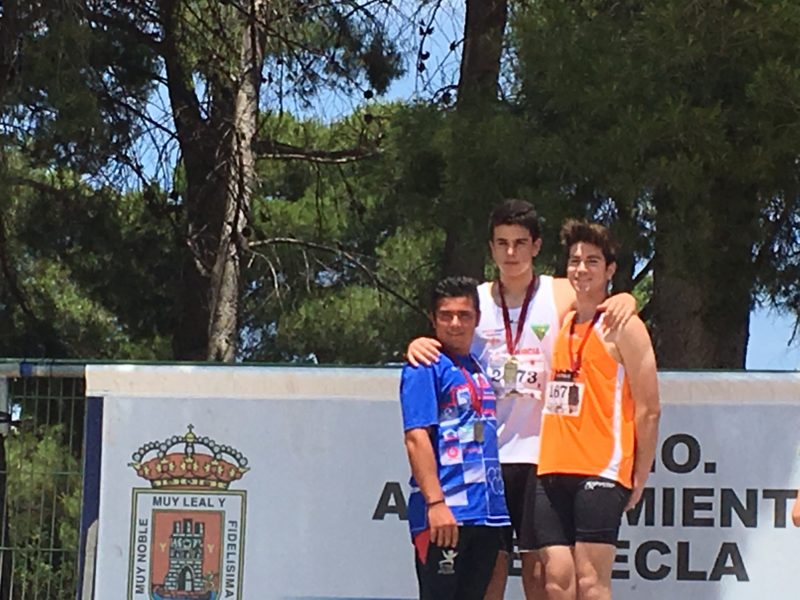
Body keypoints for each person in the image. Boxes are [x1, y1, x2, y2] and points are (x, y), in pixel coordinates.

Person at [407, 200, 637, 600]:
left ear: (536, 246)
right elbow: (445, 335)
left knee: (540, 575)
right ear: (491, 248)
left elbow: (601, 300)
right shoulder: (476, 301)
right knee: (489, 574)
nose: (511, 253)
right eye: (502, 243)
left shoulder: (559, 291)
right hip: (488, 460)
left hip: (542, 456)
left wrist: (627, 300)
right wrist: (416, 343)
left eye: (520, 243)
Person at [533, 220, 661, 600]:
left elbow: (649, 409)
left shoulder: (624, 326)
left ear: (610, 269)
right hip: (552, 466)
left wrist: (640, 475)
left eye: (592, 261)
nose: (582, 269)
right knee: (556, 581)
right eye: (575, 261)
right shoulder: (563, 316)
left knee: (591, 583)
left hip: (601, 469)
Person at [400, 276, 511, 600]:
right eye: (446, 315)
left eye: (464, 315)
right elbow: (416, 438)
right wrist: (435, 504)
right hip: (446, 512)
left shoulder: (478, 365)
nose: (455, 323)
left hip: (485, 514)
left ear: (477, 319)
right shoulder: (424, 366)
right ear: (433, 319)